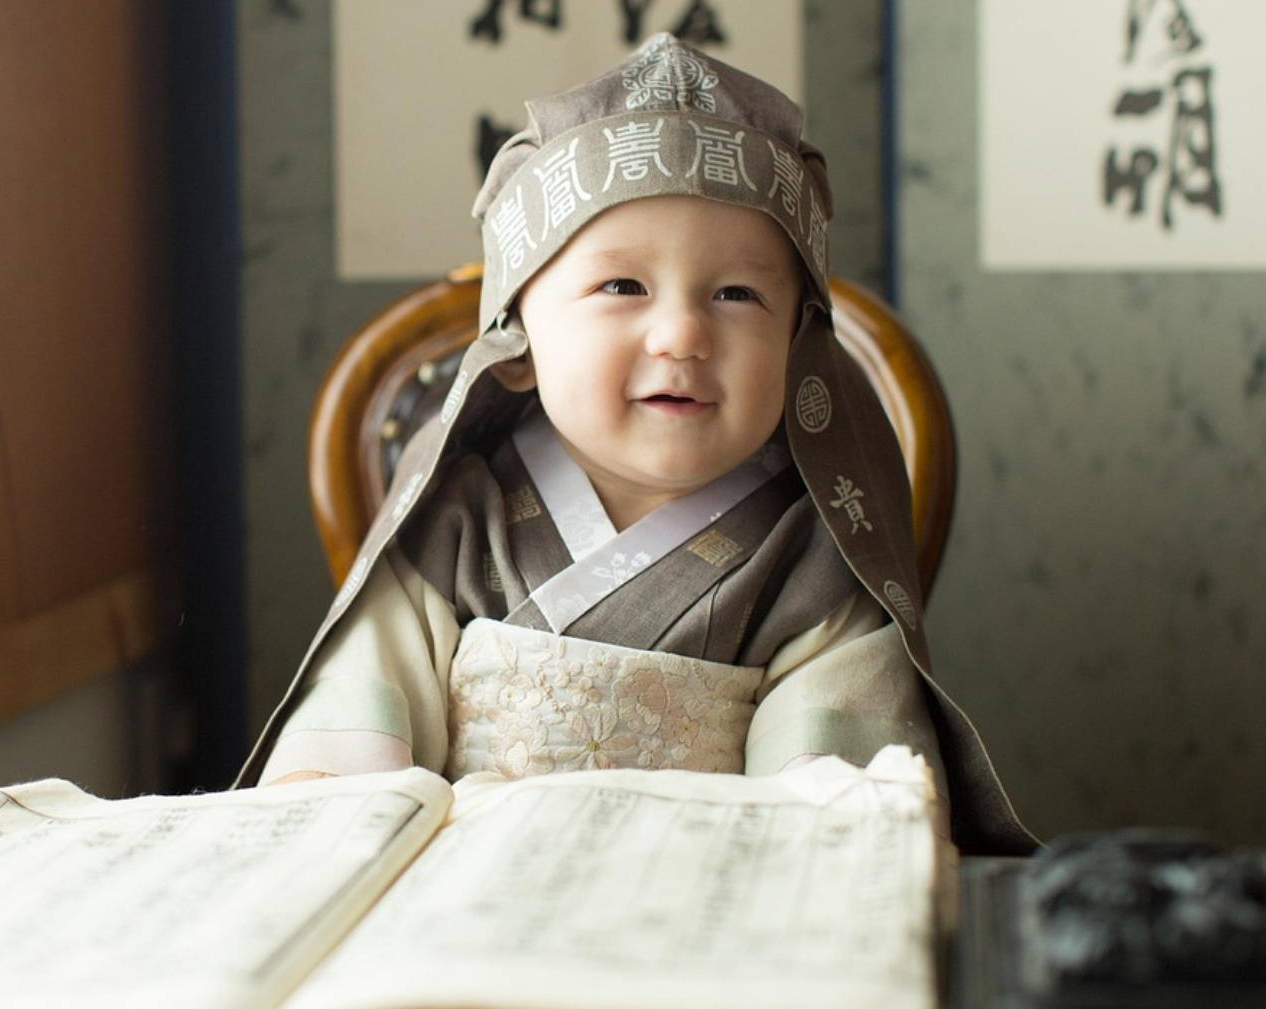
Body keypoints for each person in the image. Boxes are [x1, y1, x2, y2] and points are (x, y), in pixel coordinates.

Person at [236, 33, 1034, 855]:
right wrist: (322, 806)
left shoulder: (812, 554)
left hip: (702, 914)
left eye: (736, 293)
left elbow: (827, 812)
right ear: (517, 335)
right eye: (623, 285)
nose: (683, 332)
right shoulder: (456, 515)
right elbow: (355, 738)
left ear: (799, 345)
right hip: (463, 910)